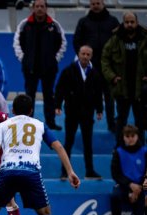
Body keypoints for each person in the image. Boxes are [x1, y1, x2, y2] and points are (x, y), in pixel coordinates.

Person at [13, 0, 66, 130]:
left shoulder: (54, 25)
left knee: (49, 96)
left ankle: (51, 122)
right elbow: (17, 43)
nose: (40, 9)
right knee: (29, 96)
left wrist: (54, 60)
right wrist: (24, 59)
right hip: (30, 67)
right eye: (37, 6)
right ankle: (27, 122)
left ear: (46, 8)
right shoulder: (25, 24)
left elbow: (62, 44)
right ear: (33, 8)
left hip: (49, 68)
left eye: (42, 6)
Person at [55, 45, 103, 180]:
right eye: (83, 54)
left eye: (88, 54)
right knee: (68, 142)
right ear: (78, 54)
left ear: (91, 56)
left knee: (88, 143)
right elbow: (60, 89)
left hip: (88, 113)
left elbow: (98, 93)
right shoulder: (68, 71)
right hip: (72, 112)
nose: (85, 57)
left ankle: (89, 171)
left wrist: (99, 109)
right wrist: (57, 105)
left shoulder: (94, 73)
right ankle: (64, 172)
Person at [73, 0, 119, 133]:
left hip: (108, 66)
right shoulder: (83, 22)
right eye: (93, 3)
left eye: (98, 3)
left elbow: (118, 42)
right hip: (89, 66)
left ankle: (112, 124)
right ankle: (86, 123)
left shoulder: (113, 21)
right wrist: (84, 58)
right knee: (86, 96)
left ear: (103, 3)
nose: (95, 5)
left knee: (109, 96)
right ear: (90, 4)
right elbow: (77, 41)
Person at [101, 12, 147, 145]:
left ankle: (141, 147)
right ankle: (119, 146)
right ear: (123, 23)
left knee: (141, 120)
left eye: (132, 22)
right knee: (121, 119)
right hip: (122, 88)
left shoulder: (144, 38)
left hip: (140, 89)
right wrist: (112, 77)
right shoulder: (115, 39)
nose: (130, 25)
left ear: (137, 22)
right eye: (127, 22)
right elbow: (105, 59)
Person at [109, 125, 146, 215]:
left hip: (141, 188)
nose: (130, 139)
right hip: (124, 186)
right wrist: (130, 185)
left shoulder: (144, 151)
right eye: (127, 136)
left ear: (137, 136)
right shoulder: (118, 152)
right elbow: (115, 173)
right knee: (114, 197)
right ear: (123, 137)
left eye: (133, 136)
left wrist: (138, 188)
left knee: (140, 209)